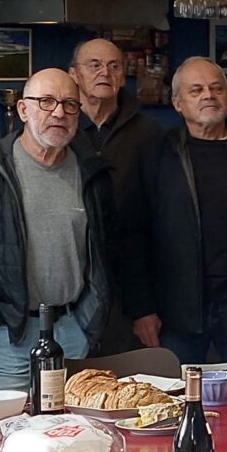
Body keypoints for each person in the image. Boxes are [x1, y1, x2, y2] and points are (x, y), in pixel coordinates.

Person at [0, 68, 113, 389]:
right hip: (7, 335)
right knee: (6, 421)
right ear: (23, 109)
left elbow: (107, 250)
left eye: (70, 104)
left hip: (72, 328)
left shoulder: (92, 172)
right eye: (46, 101)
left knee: (74, 421)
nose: (59, 113)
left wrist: (90, 319)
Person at [122, 57, 227, 366]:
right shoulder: (154, 155)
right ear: (177, 103)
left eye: (216, 88)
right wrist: (142, 309)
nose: (208, 95)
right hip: (174, 312)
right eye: (196, 90)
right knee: (175, 392)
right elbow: (134, 236)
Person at [70, 33, 152, 353]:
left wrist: (146, 304)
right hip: (71, 282)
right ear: (74, 74)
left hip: (130, 282)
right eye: (94, 65)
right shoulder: (59, 128)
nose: (104, 72)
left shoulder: (149, 135)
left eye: (114, 65)